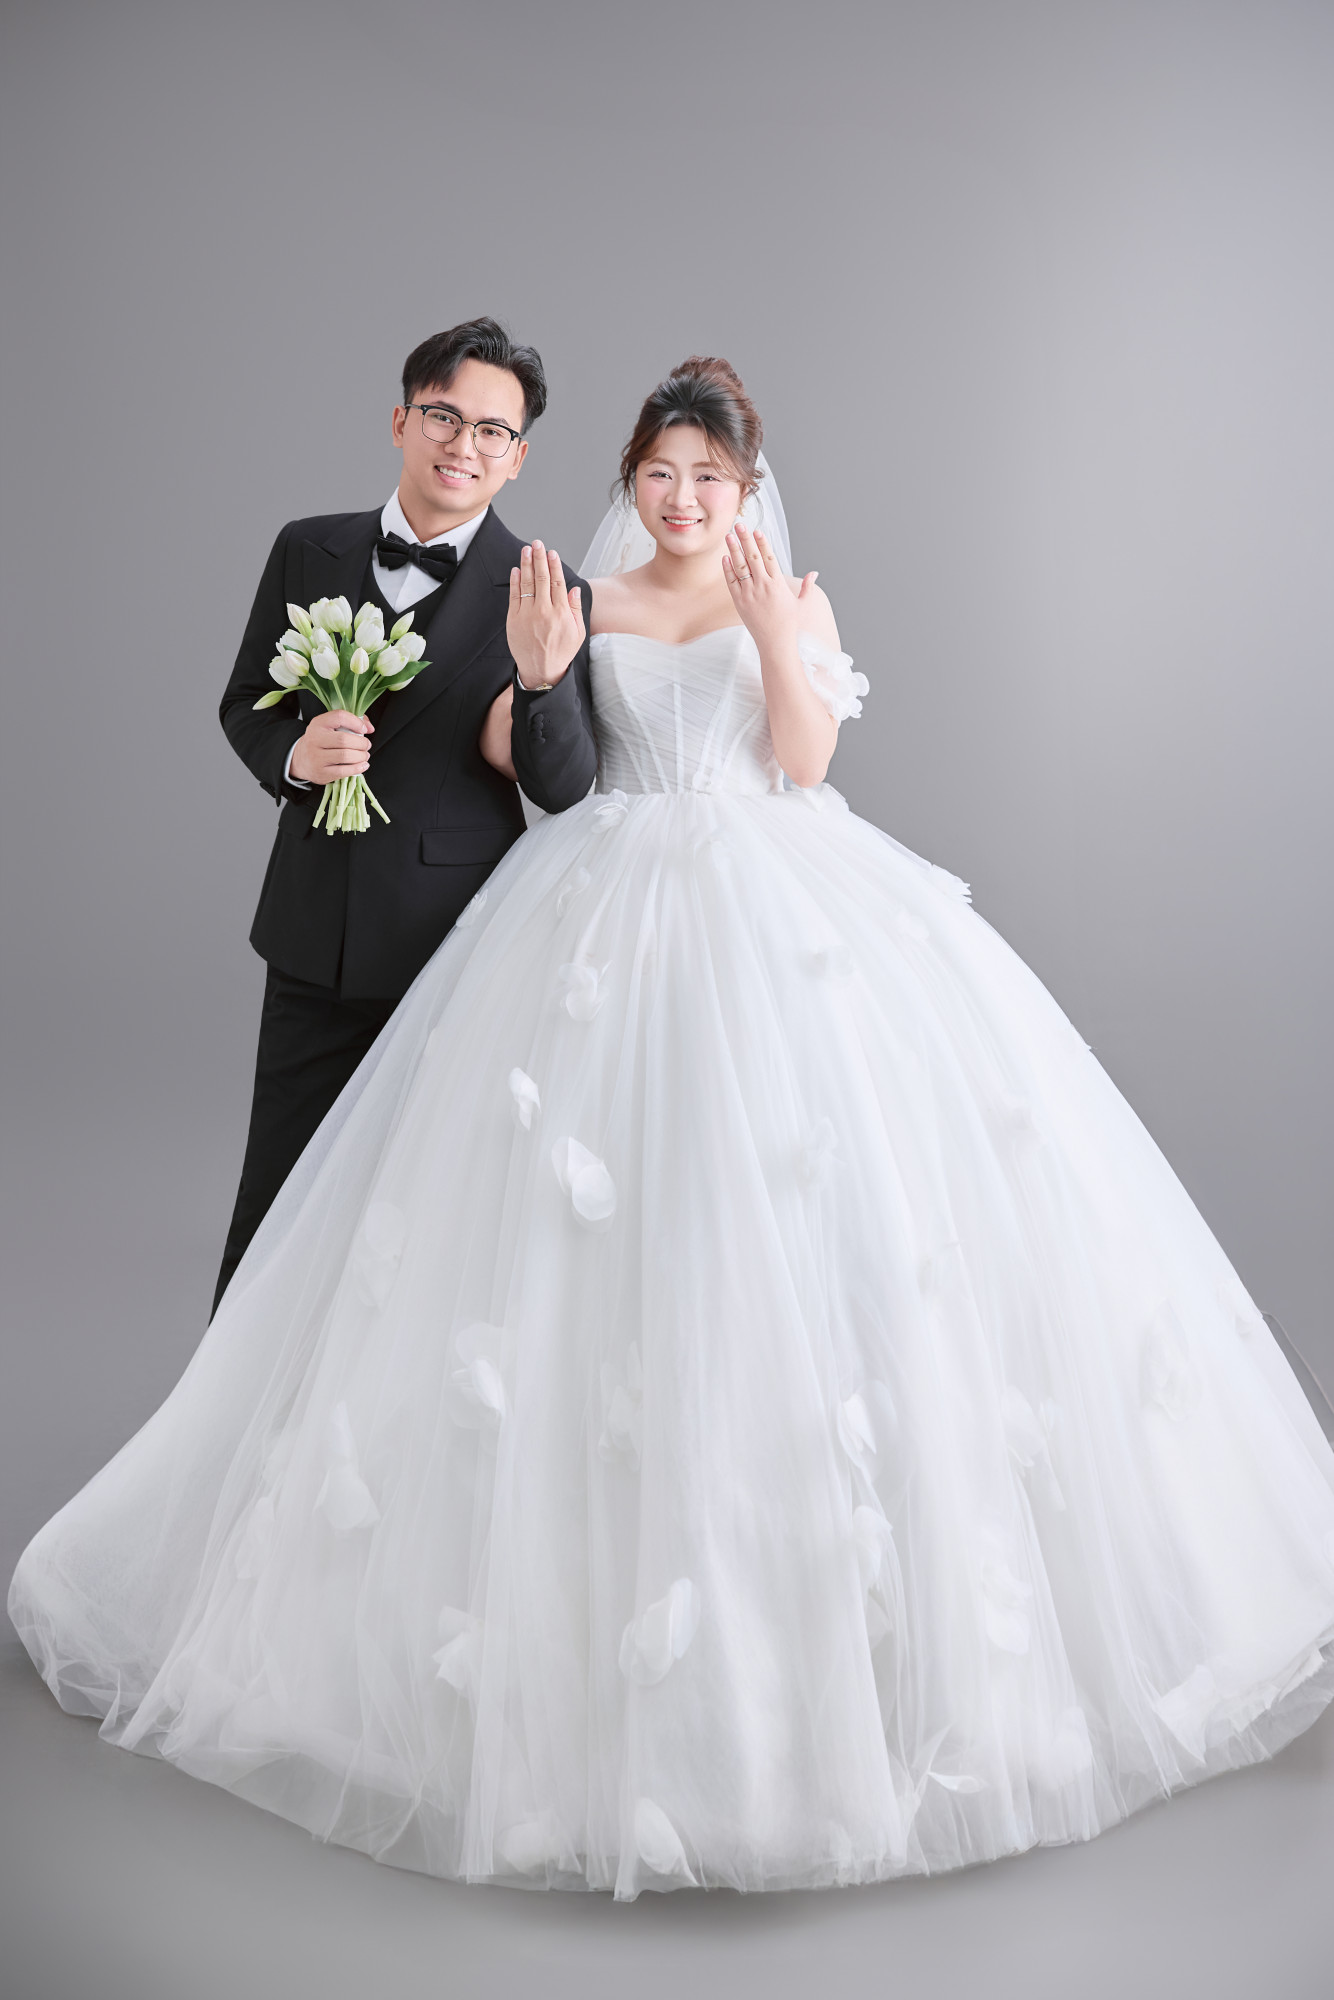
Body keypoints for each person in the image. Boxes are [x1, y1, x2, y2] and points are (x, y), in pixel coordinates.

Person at [10, 358, 1334, 1901]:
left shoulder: (790, 594)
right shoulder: (582, 595)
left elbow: (805, 762)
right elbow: (553, 782)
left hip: (778, 909)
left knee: (800, 1231)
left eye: (709, 477)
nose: (683, 498)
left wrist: (774, 633)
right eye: (660, 472)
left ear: (744, 487)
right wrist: (535, 679)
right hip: (598, 907)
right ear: (629, 478)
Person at [212, 316, 596, 1315]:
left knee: (427, 1223)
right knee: (275, 1208)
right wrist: (294, 757)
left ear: (517, 458)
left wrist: (544, 679)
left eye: (492, 431)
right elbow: (245, 700)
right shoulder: (306, 548)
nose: (463, 445)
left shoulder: (548, 589)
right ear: (400, 420)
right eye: (443, 416)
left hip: (454, 949)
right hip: (310, 931)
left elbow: (562, 784)